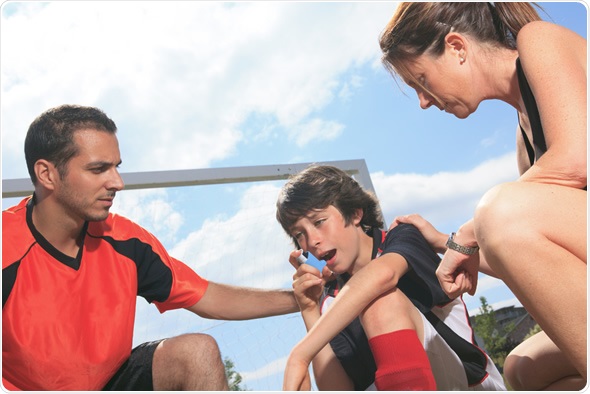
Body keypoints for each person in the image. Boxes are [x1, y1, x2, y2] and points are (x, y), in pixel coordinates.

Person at [2, 104, 299, 391]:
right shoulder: (6, 246)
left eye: (116, 167)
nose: (116, 182)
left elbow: (210, 297)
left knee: (196, 352)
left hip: (111, 384)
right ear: (47, 174)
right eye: (98, 169)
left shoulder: (125, 241)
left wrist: (301, 298)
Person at [379, 2, 586, 390]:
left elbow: (577, 161)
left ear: (457, 47)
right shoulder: (526, 142)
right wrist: (446, 243)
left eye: (420, 81)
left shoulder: (539, 41)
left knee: (501, 208)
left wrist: (468, 231)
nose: (424, 101)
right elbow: (521, 248)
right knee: (523, 369)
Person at [276, 164, 505, 391]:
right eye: (299, 234)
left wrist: (301, 354)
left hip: (467, 382)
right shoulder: (330, 299)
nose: (312, 240)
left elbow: (381, 276)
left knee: (378, 300)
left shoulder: (403, 237)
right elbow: (337, 389)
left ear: (355, 213)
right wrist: (309, 309)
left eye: (319, 222)